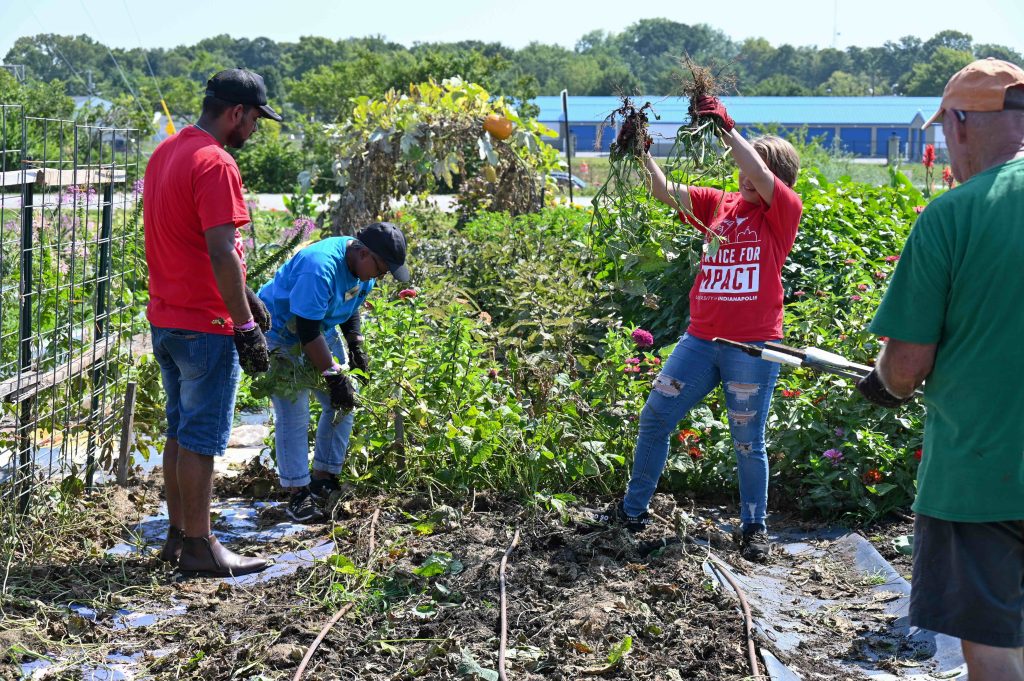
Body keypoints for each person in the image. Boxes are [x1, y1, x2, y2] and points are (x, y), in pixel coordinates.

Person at [858, 58, 1024, 680]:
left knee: (994, 648)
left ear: (958, 123)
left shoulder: (952, 216)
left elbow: (906, 365)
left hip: (981, 481)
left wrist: (884, 381)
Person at [598, 97, 803, 562]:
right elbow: (665, 191)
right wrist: (642, 152)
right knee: (655, 418)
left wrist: (726, 126)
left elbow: (758, 168)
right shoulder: (721, 205)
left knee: (747, 439)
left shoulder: (781, 213)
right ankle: (632, 512)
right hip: (700, 341)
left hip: (751, 347)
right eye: (742, 171)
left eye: (757, 173)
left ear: (778, 183)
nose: (745, 178)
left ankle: (755, 527)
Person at [145, 68, 281, 578]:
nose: (255, 130)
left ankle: (178, 538)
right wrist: (246, 327)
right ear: (235, 112)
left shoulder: (167, 152)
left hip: (167, 318)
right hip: (205, 324)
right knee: (202, 438)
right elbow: (223, 249)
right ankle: (201, 547)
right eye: (254, 120)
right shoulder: (215, 162)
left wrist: (244, 289)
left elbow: (190, 238)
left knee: (179, 432)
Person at [257, 222, 410, 522]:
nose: (380, 276)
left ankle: (323, 479)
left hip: (318, 328)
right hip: (280, 333)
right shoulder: (320, 268)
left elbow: (350, 302)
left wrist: (355, 345)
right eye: (380, 268)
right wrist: (333, 374)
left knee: (344, 402)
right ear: (363, 252)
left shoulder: (362, 267)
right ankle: (298, 495)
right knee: (295, 410)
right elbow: (306, 329)